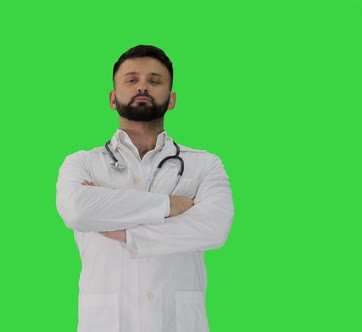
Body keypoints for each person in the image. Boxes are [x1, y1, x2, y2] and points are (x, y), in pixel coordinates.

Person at [56, 45, 234, 332]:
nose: (143, 86)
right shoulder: (83, 163)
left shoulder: (205, 165)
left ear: (172, 98)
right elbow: (77, 211)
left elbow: (215, 228)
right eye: (131, 80)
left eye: (155, 81)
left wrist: (126, 232)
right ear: (113, 99)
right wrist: (170, 206)